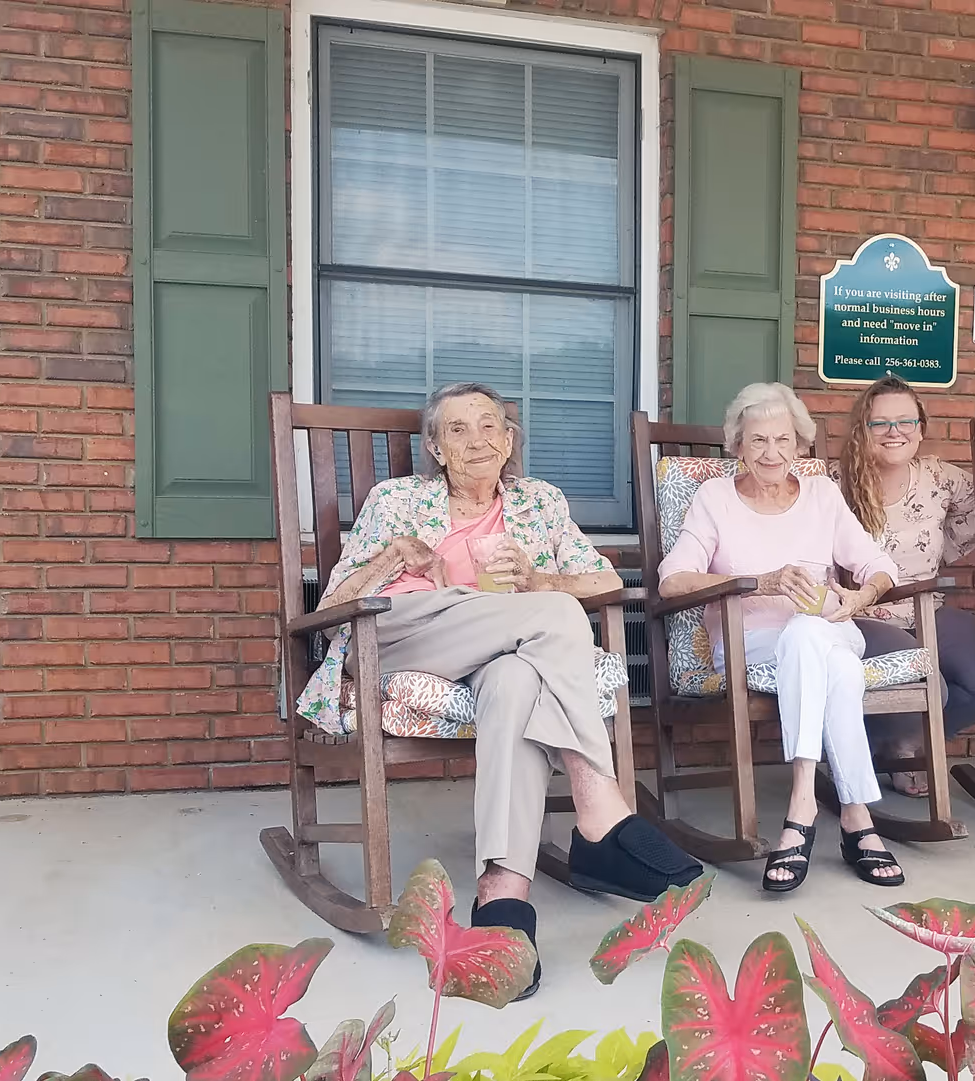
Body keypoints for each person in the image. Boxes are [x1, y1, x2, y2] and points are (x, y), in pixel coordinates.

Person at [296, 382, 702, 997]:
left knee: (517, 677)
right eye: (456, 429)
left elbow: (600, 579)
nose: (478, 438)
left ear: (509, 440)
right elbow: (333, 604)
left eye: (490, 425)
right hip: (404, 639)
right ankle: (601, 809)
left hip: (502, 647)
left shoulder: (539, 502)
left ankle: (503, 893)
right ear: (434, 447)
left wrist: (539, 576)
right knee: (558, 615)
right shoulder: (396, 499)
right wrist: (392, 557)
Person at [657, 382, 907, 894]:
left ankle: (802, 804)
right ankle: (857, 819)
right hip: (751, 643)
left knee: (811, 634)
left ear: (799, 444)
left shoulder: (821, 495)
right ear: (738, 447)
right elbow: (672, 579)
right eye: (757, 441)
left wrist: (858, 600)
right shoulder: (716, 499)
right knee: (823, 656)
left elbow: (880, 566)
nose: (772, 453)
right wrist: (762, 581)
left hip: (834, 631)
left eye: (783, 440)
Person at [832, 374, 975, 796]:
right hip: (863, 614)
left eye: (905, 422)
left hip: (926, 607)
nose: (894, 432)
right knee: (932, 685)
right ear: (863, 430)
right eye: (880, 423)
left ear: (921, 428)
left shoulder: (939, 478)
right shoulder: (836, 482)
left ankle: (904, 743)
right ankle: (877, 747)